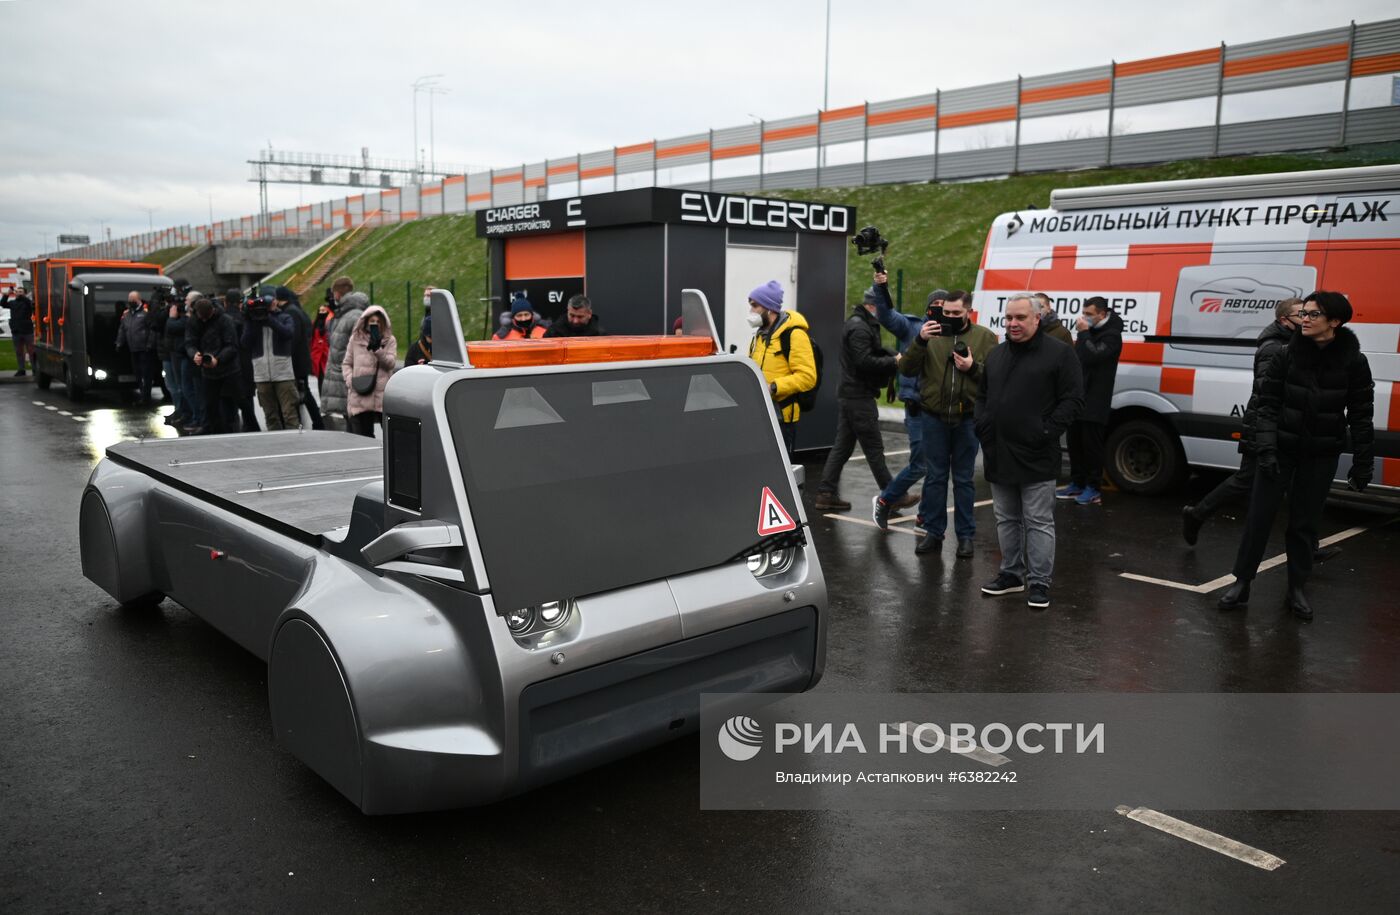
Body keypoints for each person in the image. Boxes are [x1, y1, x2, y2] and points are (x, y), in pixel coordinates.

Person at [1217, 291, 1374, 621]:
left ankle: (1296, 589)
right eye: (1304, 313)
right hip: (1280, 452)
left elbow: (1361, 413)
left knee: (1304, 524)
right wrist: (1267, 448)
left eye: (1313, 315)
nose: (1305, 319)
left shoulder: (1354, 361)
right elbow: (1267, 405)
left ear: (1334, 322)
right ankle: (1242, 582)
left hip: (1320, 454)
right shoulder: (1286, 354)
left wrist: (1363, 461)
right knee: (1259, 518)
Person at [975, 293, 1083, 610]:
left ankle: (1039, 582)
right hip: (998, 451)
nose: (1013, 323)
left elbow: (1074, 399)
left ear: (1037, 318)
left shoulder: (1060, 354)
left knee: (1037, 520)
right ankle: (1011, 575)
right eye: (1008, 318)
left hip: (1036, 453)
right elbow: (982, 395)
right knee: (1006, 519)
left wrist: (1046, 431)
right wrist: (982, 425)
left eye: (1020, 317)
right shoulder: (996, 355)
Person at [882, 290, 997, 557]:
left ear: (969, 311)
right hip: (932, 418)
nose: (951, 318)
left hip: (967, 419)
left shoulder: (984, 337)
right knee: (934, 478)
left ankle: (966, 536)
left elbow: (994, 378)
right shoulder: (928, 333)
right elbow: (907, 369)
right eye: (947, 313)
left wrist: (973, 368)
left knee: (963, 480)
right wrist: (920, 341)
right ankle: (933, 533)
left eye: (957, 313)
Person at [1182, 298, 1305, 545]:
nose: (1306, 319)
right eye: (1301, 315)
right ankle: (1197, 514)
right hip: (1264, 426)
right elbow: (1267, 390)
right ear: (1285, 320)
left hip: (1283, 426)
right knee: (1246, 480)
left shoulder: (1293, 343)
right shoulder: (1273, 347)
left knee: (1295, 485)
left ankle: (1307, 546)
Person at [813, 285, 899, 511]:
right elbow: (864, 361)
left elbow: (864, 356)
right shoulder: (860, 328)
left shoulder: (858, 323)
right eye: (883, 307)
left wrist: (886, 354)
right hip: (859, 396)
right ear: (873, 305)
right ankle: (892, 496)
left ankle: (826, 493)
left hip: (851, 394)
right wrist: (894, 362)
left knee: (842, 447)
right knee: (874, 448)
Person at [869, 280, 943, 525]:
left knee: (937, 468)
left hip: (943, 411)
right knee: (921, 464)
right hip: (917, 409)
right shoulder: (911, 327)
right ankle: (886, 500)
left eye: (944, 306)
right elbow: (886, 315)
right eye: (935, 305)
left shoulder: (953, 335)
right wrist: (881, 287)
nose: (939, 310)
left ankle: (925, 515)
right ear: (928, 307)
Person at [1055, 296, 1123, 506]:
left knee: (1091, 445)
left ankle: (1093, 488)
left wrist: (1084, 333)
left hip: (1096, 398)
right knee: (1075, 442)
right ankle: (1077, 482)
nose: (1084, 318)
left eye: (1090, 314)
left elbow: (1094, 355)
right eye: (1084, 313)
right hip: (1079, 395)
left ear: (1102, 314)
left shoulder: (1112, 335)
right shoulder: (1091, 333)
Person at [746, 280, 817, 457]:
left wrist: (774, 387)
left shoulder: (794, 335)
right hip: (760, 415)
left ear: (769, 309)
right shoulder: (759, 336)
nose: (751, 311)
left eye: (755, 306)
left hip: (782, 420)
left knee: (781, 474)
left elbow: (808, 376)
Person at [242, 292, 300, 430]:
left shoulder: (285, 317)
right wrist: (251, 321)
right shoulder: (253, 321)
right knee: (270, 416)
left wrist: (269, 319)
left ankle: (296, 444)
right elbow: (245, 343)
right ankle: (275, 444)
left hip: (283, 373)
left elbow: (288, 333)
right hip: (261, 375)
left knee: (289, 414)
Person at [184, 296, 241, 434]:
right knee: (210, 405)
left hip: (228, 370)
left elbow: (232, 345)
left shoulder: (225, 320)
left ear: (212, 311)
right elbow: (190, 342)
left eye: (206, 317)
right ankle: (213, 429)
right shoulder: (194, 321)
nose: (203, 320)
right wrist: (195, 354)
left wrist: (218, 359)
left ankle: (231, 429)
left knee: (231, 403)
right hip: (207, 371)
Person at [341, 305, 397, 437]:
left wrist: (378, 350)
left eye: (378, 322)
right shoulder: (355, 339)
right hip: (360, 392)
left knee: (390, 437)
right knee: (364, 437)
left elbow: (390, 364)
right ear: (365, 322)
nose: (375, 324)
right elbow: (346, 363)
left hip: (381, 395)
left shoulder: (390, 340)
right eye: (372, 321)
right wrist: (351, 381)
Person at [275, 286, 323, 430]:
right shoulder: (295, 310)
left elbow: (293, 339)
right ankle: (317, 422)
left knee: (303, 394)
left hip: (296, 362)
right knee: (303, 393)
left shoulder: (291, 313)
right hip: (300, 360)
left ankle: (317, 423)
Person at [321, 277, 368, 423]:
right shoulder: (343, 314)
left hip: (349, 377)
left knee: (358, 426)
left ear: (337, 294)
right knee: (351, 424)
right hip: (343, 376)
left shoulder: (353, 315)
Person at [223, 290, 261, 432]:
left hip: (228, 366)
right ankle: (250, 427)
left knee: (228, 405)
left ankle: (231, 429)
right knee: (247, 402)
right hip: (246, 365)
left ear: (225, 303)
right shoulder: (248, 318)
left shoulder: (223, 319)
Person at [167, 293, 204, 433]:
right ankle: (193, 416)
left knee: (189, 390)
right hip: (184, 355)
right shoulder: (186, 317)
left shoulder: (190, 319)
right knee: (186, 389)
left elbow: (171, 328)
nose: (184, 302)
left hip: (189, 357)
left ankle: (197, 417)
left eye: (187, 300)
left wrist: (172, 317)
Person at [115, 291, 157, 404]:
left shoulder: (146, 313)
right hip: (133, 349)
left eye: (133, 300)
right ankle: (143, 393)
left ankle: (145, 396)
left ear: (138, 300)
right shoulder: (126, 314)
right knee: (137, 373)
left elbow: (152, 330)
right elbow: (122, 330)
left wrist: (150, 344)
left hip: (145, 349)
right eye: (129, 300)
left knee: (146, 373)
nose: (131, 302)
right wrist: (119, 343)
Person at [152, 290, 186, 427]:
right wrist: (164, 308)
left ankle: (181, 410)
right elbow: (155, 323)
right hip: (166, 352)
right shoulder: (166, 311)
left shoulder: (179, 315)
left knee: (179, 386)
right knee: (171, 385)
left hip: (175, 352)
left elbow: (171, 327)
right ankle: (178, 409)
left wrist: (172, 315)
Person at [2, 286, 35, 377]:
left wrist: (23, 296)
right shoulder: (13, 303)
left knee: (31, 351)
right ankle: (21, 369)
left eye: (21, 291)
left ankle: (35, 369)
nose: (18, 293)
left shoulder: (27, 302)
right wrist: (8, 293)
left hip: (27, 331)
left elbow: (30, 304)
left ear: (24, 293)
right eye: (17, 292)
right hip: (16, 331)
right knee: (19, 351)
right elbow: (3, 303)